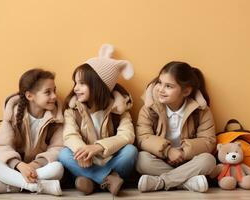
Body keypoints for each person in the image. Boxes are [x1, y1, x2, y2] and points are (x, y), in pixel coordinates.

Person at [59, 44, 138, 196]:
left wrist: (99, 147)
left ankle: (92, 182)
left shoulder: (119, 110)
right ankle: (107, 179)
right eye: (75, 83)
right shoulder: (73, 110)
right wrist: (82, 151)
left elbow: (127, 136)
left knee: (131, 151)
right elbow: (70, 136)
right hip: (85, 161)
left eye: (82, 83)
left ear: (99, 86)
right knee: (63, 155)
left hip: (111, 159)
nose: (76, 88)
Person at [136, 61, 216, 193]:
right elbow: (143, 137)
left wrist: (183, 153)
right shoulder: (149, 109)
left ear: (186, 91)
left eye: (168, 86)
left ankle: (160, 182)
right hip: (161, 159)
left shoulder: (201, 111)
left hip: (188, 161)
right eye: (159, 83)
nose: (161, 89)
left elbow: (208, 141)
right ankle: (187, 183)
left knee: (209, 160)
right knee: (140, 159)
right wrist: (168, 151)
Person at [0, 68, 64, 196]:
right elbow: (2, 147)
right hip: (16, 168)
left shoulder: (57, 118)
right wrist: (20, 165)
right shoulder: (12, 114)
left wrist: (34, 165)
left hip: (40, 168)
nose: (54, 96)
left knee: (58, 168)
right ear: (29, 96)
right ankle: (37, 187)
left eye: (54, 91)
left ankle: (13, 185)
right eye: (47, 92)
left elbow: (57, 148)